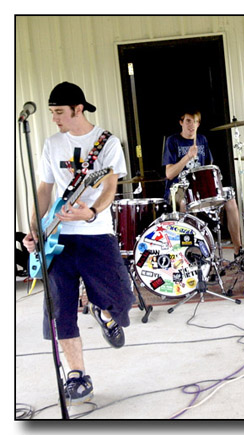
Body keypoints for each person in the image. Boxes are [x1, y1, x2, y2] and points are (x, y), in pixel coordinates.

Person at [22, 82, 135, 404]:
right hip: (57, 236)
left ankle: (104, 312)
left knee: (120, 299)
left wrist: (91, 212)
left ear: (78, 109)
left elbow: (110, 187)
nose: (54, 118)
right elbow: (45, 190)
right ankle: (77, 375)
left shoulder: (107, 142)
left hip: (96, 233)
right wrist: (35, 229)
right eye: (52, 112)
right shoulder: (51, 144)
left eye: (59, 112)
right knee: (60, 311)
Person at [162, 110, 244, 260]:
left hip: (200, 188)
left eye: (195, 121)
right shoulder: (172, 141)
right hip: (178, 190)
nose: (191, 125)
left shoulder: (202, 140)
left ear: (198, 124)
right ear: (181, 122)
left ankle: (238, 251)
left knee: (230, 198)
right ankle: (187, 254)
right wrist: (187, 157)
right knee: (184, 202)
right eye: (188, 121)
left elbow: (208, 167)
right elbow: (169, 174)